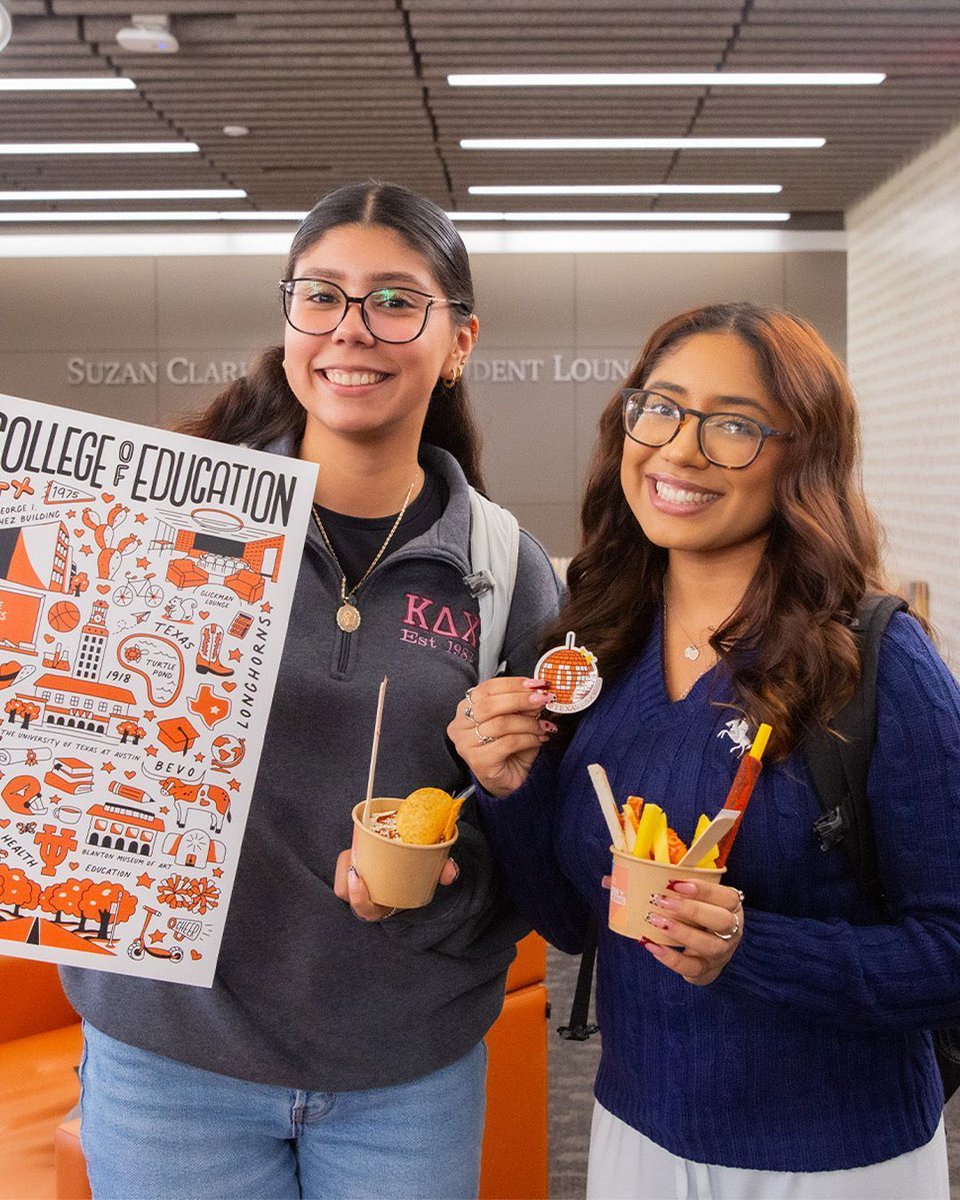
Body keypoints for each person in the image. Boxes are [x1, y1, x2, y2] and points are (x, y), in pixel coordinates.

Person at [62, 181, 560, 1200]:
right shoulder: (170, 525)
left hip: (405, 1071)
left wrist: (455, 862)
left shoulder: (505, 570)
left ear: (458, 342)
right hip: (169, 1059)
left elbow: (537, 838)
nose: (352, 328)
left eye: (395, 300)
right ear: (290, 321)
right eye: (322, 295)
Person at [449, 302, 960, 1199]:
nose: (679, 450)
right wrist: (511, 787)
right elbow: (573, 925)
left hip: (836, 1159)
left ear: (803, 455)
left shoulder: (874, 659)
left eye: (733, 425)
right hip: (635, 1133)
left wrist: (748, 951)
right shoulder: (597, 646)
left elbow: (949, 950)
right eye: (660, 408)